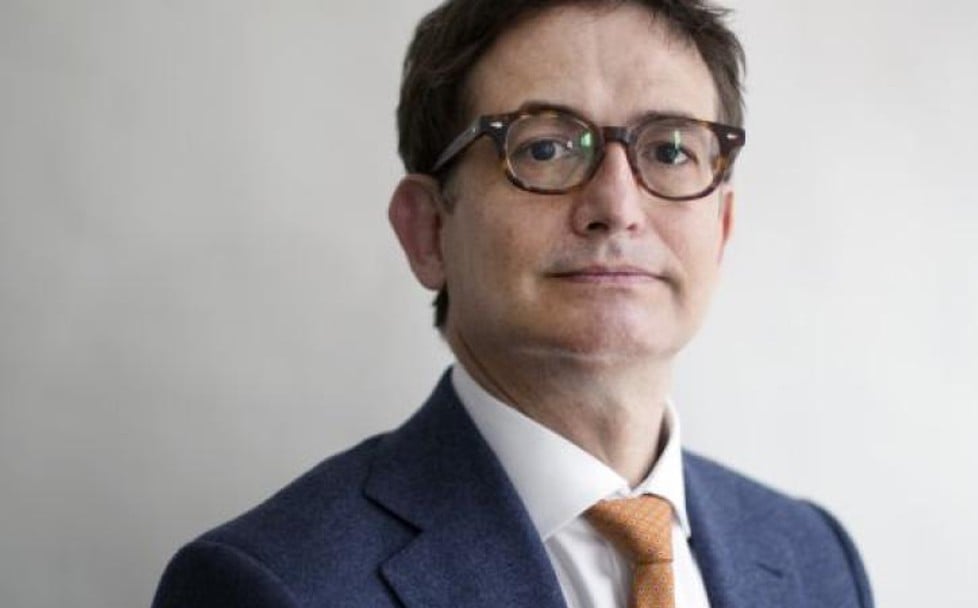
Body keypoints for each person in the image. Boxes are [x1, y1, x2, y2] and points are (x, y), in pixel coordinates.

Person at [152, 0, 874, 606]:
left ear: (721, 228)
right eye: (545, 149)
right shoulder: (270, 584)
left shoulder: (815, 558)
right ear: (428, 231)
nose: (617, 207)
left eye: (670, 151)